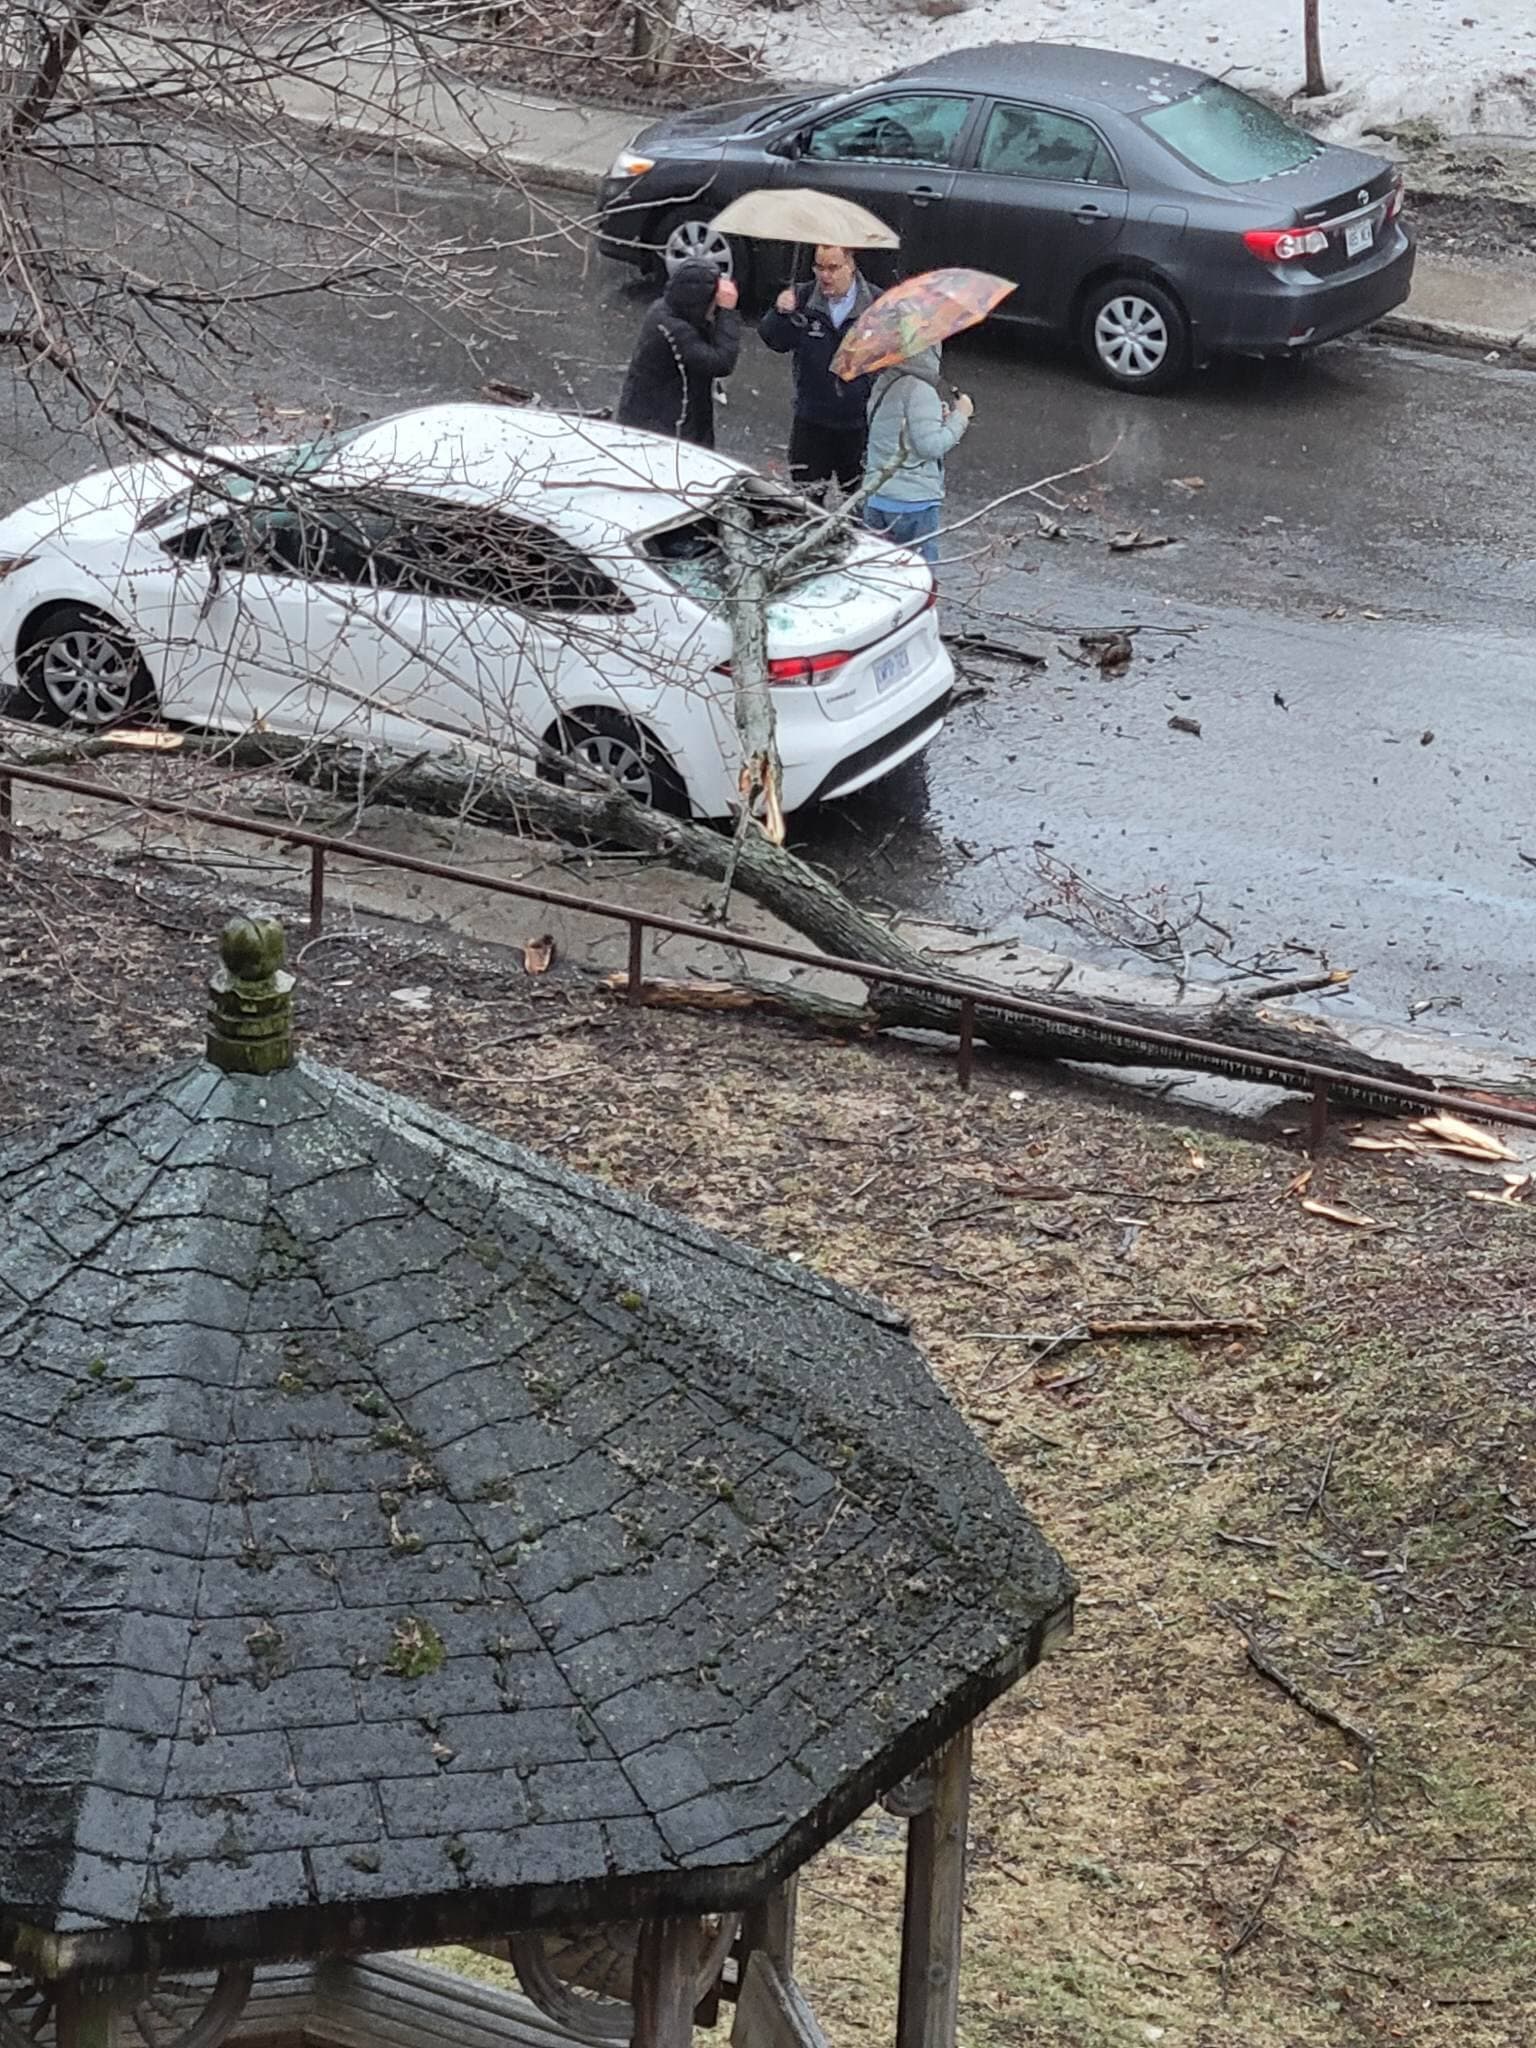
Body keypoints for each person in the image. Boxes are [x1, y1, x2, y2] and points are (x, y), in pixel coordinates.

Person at [757, 245, 875, 499]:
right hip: (812, 423)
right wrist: (780, 314)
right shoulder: (802, 297)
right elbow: (774, 340)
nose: (825, 276)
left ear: (851, 265)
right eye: (819, 267)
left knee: (857, 505)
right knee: (807, 504)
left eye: (833, 268)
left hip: (858, 425)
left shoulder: (875, 305)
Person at [861, 345, 974, 565]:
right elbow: (931, 447)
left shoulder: (884, 383)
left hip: (877, 495)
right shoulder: (921, 390)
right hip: (913, 502)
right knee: (918, 578)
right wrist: (961, 416)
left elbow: (893, 433)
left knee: (877, 571)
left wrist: (936, 418)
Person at [616, 260, 741, 449]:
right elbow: (720, 362)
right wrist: (727, 313)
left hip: (658, 419)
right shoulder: (675, 327)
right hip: (663, 430)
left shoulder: (667, 310)